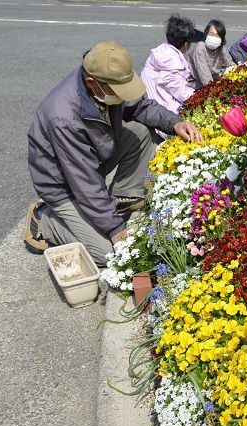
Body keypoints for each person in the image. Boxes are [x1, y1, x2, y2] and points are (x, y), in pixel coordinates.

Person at [24, 41, 203, 266]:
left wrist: (175, 123)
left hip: (94, 156)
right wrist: (115, 228)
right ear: (92, 83)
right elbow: (84, 181)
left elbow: (141, 107)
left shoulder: (109, 81)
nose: (123, 95)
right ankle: (46, 221)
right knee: (108, 254)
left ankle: (122, 197)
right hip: (63, 185)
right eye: (119, 91)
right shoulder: (63, 116)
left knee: (140, 130)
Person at [140, 15, 205, 115]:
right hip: (161, 113)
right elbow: (180, 92)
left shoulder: (163, 50)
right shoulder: (170, 60)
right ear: (186, 44)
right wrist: (204, 96)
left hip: (152, 104)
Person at [187, 20, 235, 89]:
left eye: (217, 35)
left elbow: (229, 63)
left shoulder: (220, 47)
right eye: (211, 34)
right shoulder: (200, 48)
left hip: (214, 81)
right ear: (206, 34)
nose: (214, 38)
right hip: (198, 83)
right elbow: (204, 75)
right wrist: (214, 90)